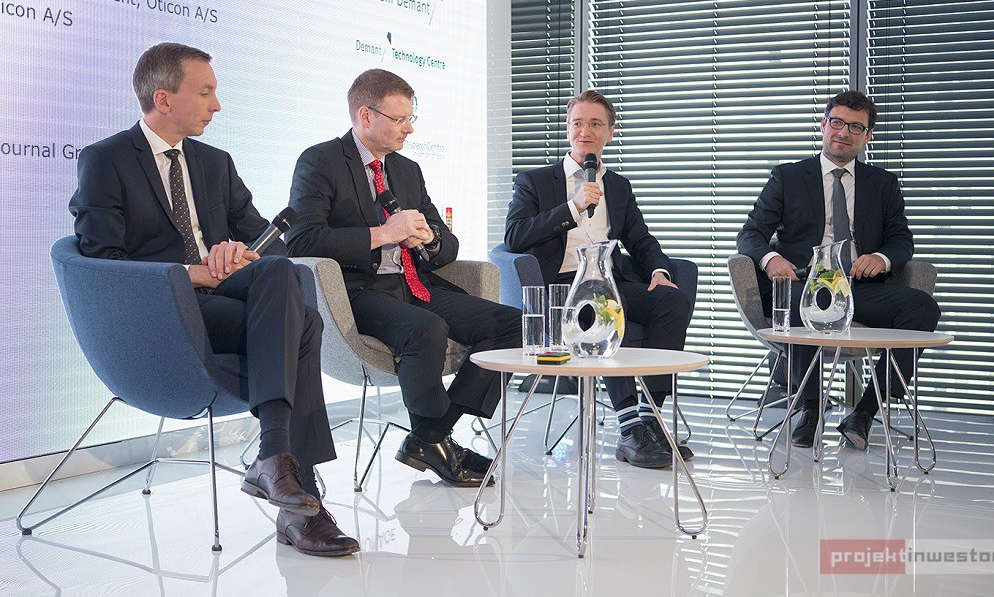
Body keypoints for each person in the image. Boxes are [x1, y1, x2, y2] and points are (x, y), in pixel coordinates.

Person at [69, 43, 357, 557]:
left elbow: (271, 244)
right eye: (205, 93)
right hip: (162, 310)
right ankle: (298, 502)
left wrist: (240, 252)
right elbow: (103, 262)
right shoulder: (106, 161)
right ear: (163, 98)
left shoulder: (215, 163)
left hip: (230, 297)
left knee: (278, 273)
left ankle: (276, 461)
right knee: (305, 325)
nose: (217, 105)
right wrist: (190, 272)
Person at [285, 68, 520, 487]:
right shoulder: (321, 161)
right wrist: (382, 234)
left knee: (514, 325)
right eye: (399, 119)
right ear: (366, 116)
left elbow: (446, 243)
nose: (409, 129)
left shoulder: (407, 170)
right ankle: (435, 442)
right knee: (426, 329)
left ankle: (431, 435)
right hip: (358, 291)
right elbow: (301, 240)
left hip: (414, 285)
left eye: (411, 119)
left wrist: (430, 239)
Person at [737, 90, 941, 449]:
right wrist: (771, 260)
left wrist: (882, 258)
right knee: (801, 302)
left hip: (860, 287)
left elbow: (901, 240)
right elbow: (750, 234)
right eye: (837, 122)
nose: (844, 132)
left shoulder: (883, 184)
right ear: (823, 125)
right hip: (805, 283)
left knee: (923, 308)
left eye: (855, 127)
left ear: (867, 136)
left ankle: (864, 412)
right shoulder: (788, 177)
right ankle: (811, 409)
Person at [504, 90, 695, 468]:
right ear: (567, 129)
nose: (585, 131)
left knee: (672, 300)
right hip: (562, 287)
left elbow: (641, 241)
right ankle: (629, 427)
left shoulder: (618, 186)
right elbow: (514, 236)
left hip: (610, 279)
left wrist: (659, 271)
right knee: (601, 308)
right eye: (577, 123)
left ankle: (650, 417)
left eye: (595, 124)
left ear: (610, 132)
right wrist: (572, 206)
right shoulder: (535, 181)